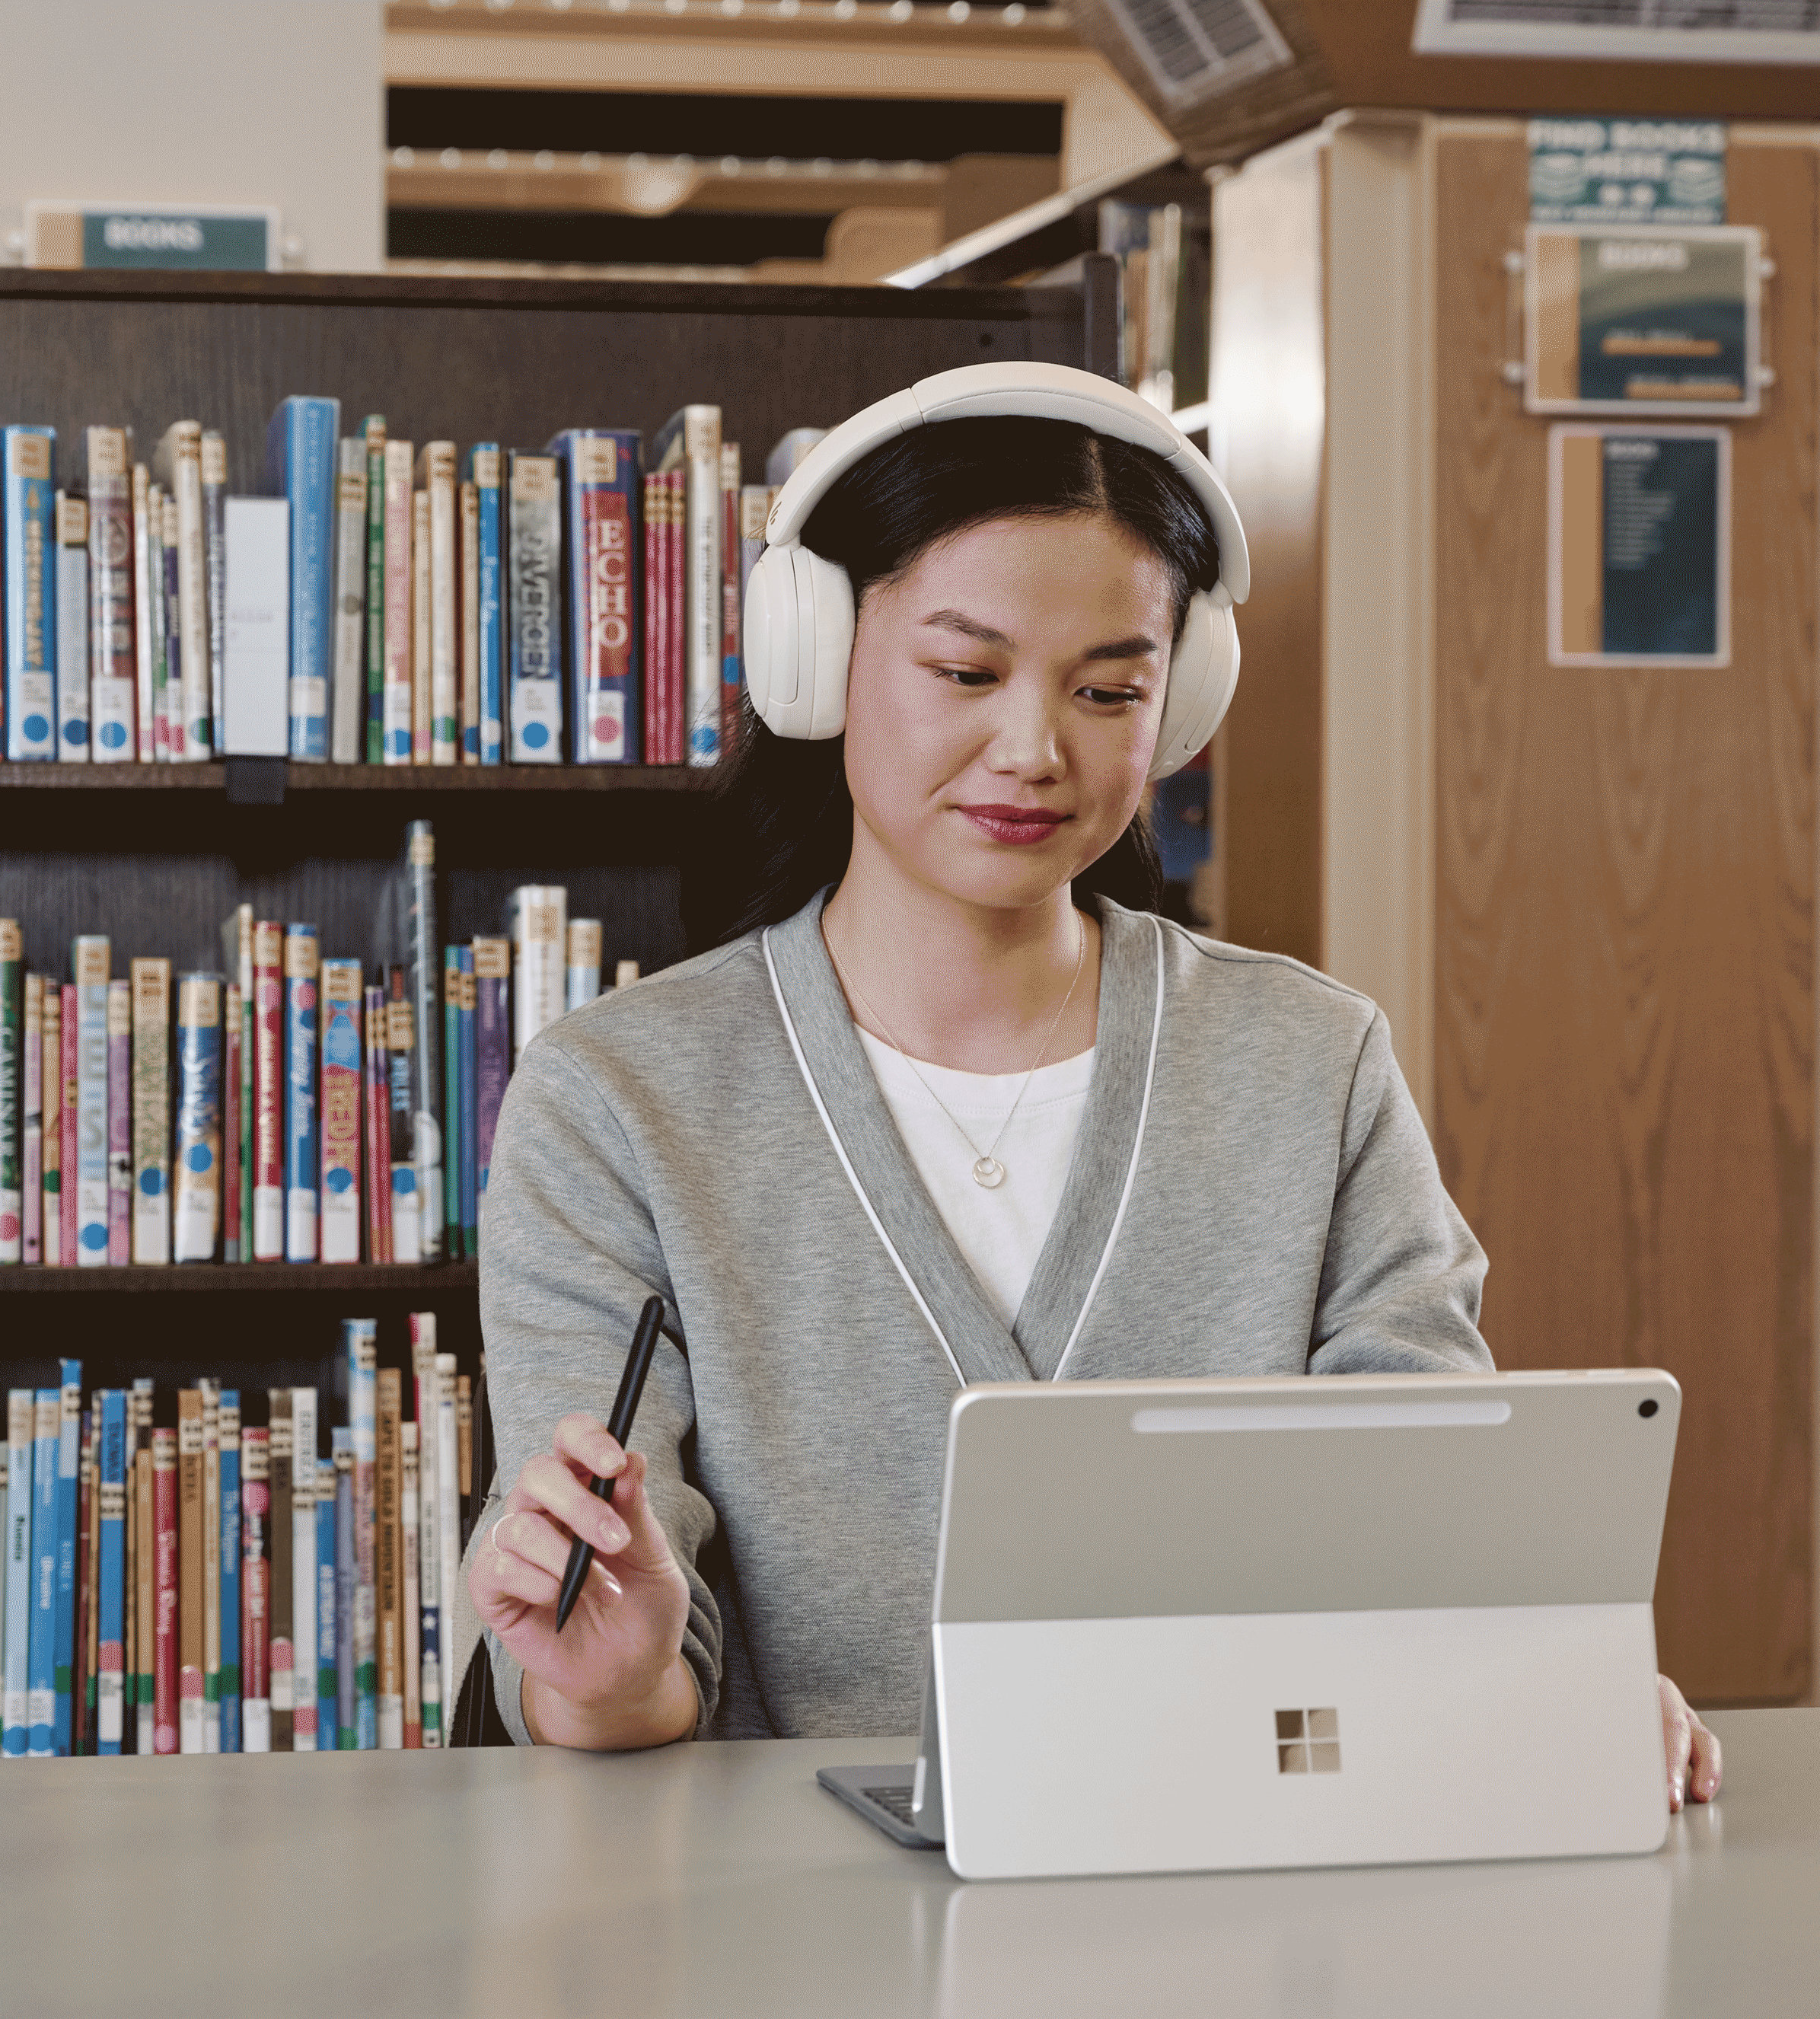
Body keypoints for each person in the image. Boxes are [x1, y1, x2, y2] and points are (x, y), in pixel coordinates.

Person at [465, 365, 1720, 1811]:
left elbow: (1425, 1517)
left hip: (1237, 1870)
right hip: (796, 1921)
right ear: (814, 654)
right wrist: (612, 1679)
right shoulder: (618, 1100)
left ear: (1179, 701)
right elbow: (603, 1656)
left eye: (1108, 688)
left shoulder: (1311, 1065)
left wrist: (1539, 1659)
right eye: (965, 671)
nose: (1034, 751)